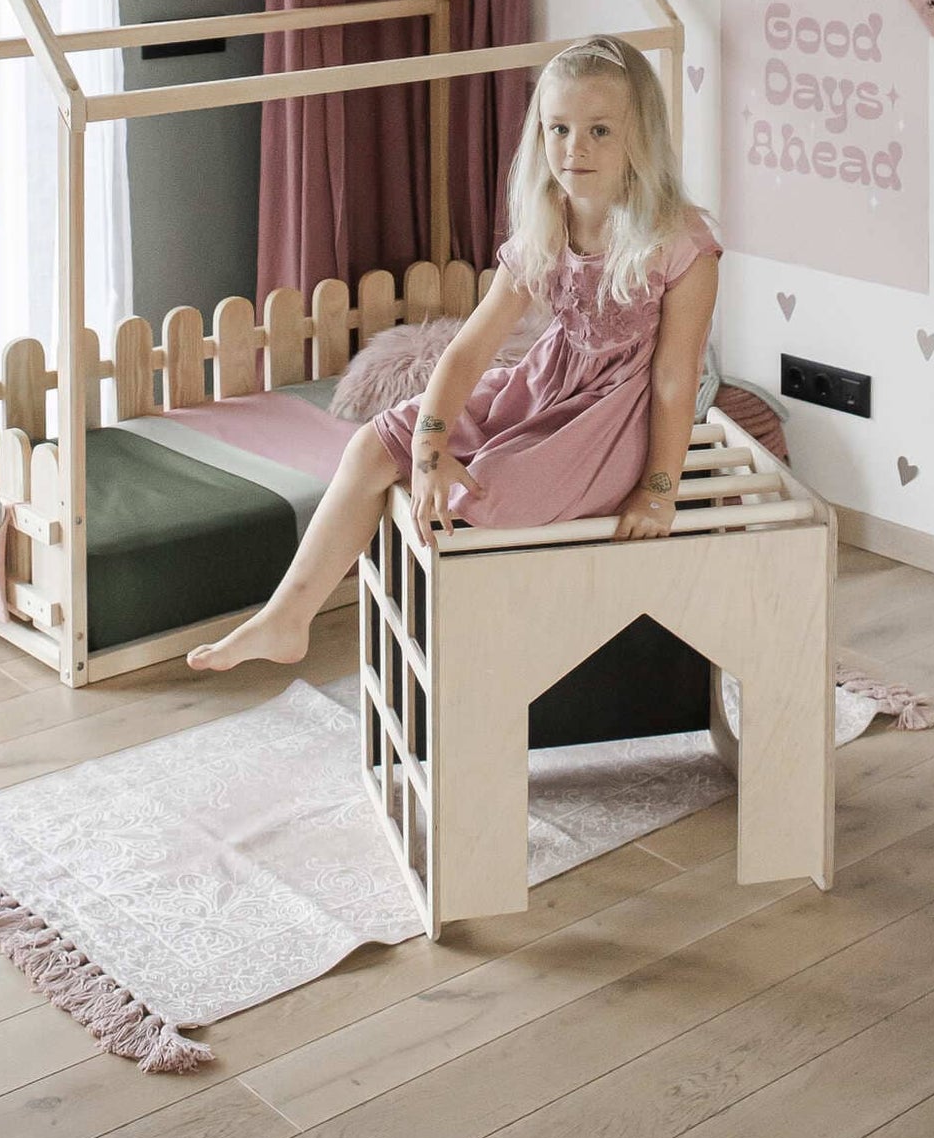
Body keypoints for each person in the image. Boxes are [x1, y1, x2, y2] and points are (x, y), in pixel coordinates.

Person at [188, 34, 719, 673]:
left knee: (488, 497)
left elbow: (671, 380)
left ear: (641, 138)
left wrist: (658, 491)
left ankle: (479, 654)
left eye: (600, 131)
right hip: (545, 381)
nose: (575, 149)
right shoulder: (548, 222)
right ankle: (286, 617)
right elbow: (469, 351)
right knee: (370, 446)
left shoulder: (680, 244)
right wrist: (429, 447)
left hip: (617, 415)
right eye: (559, 129)